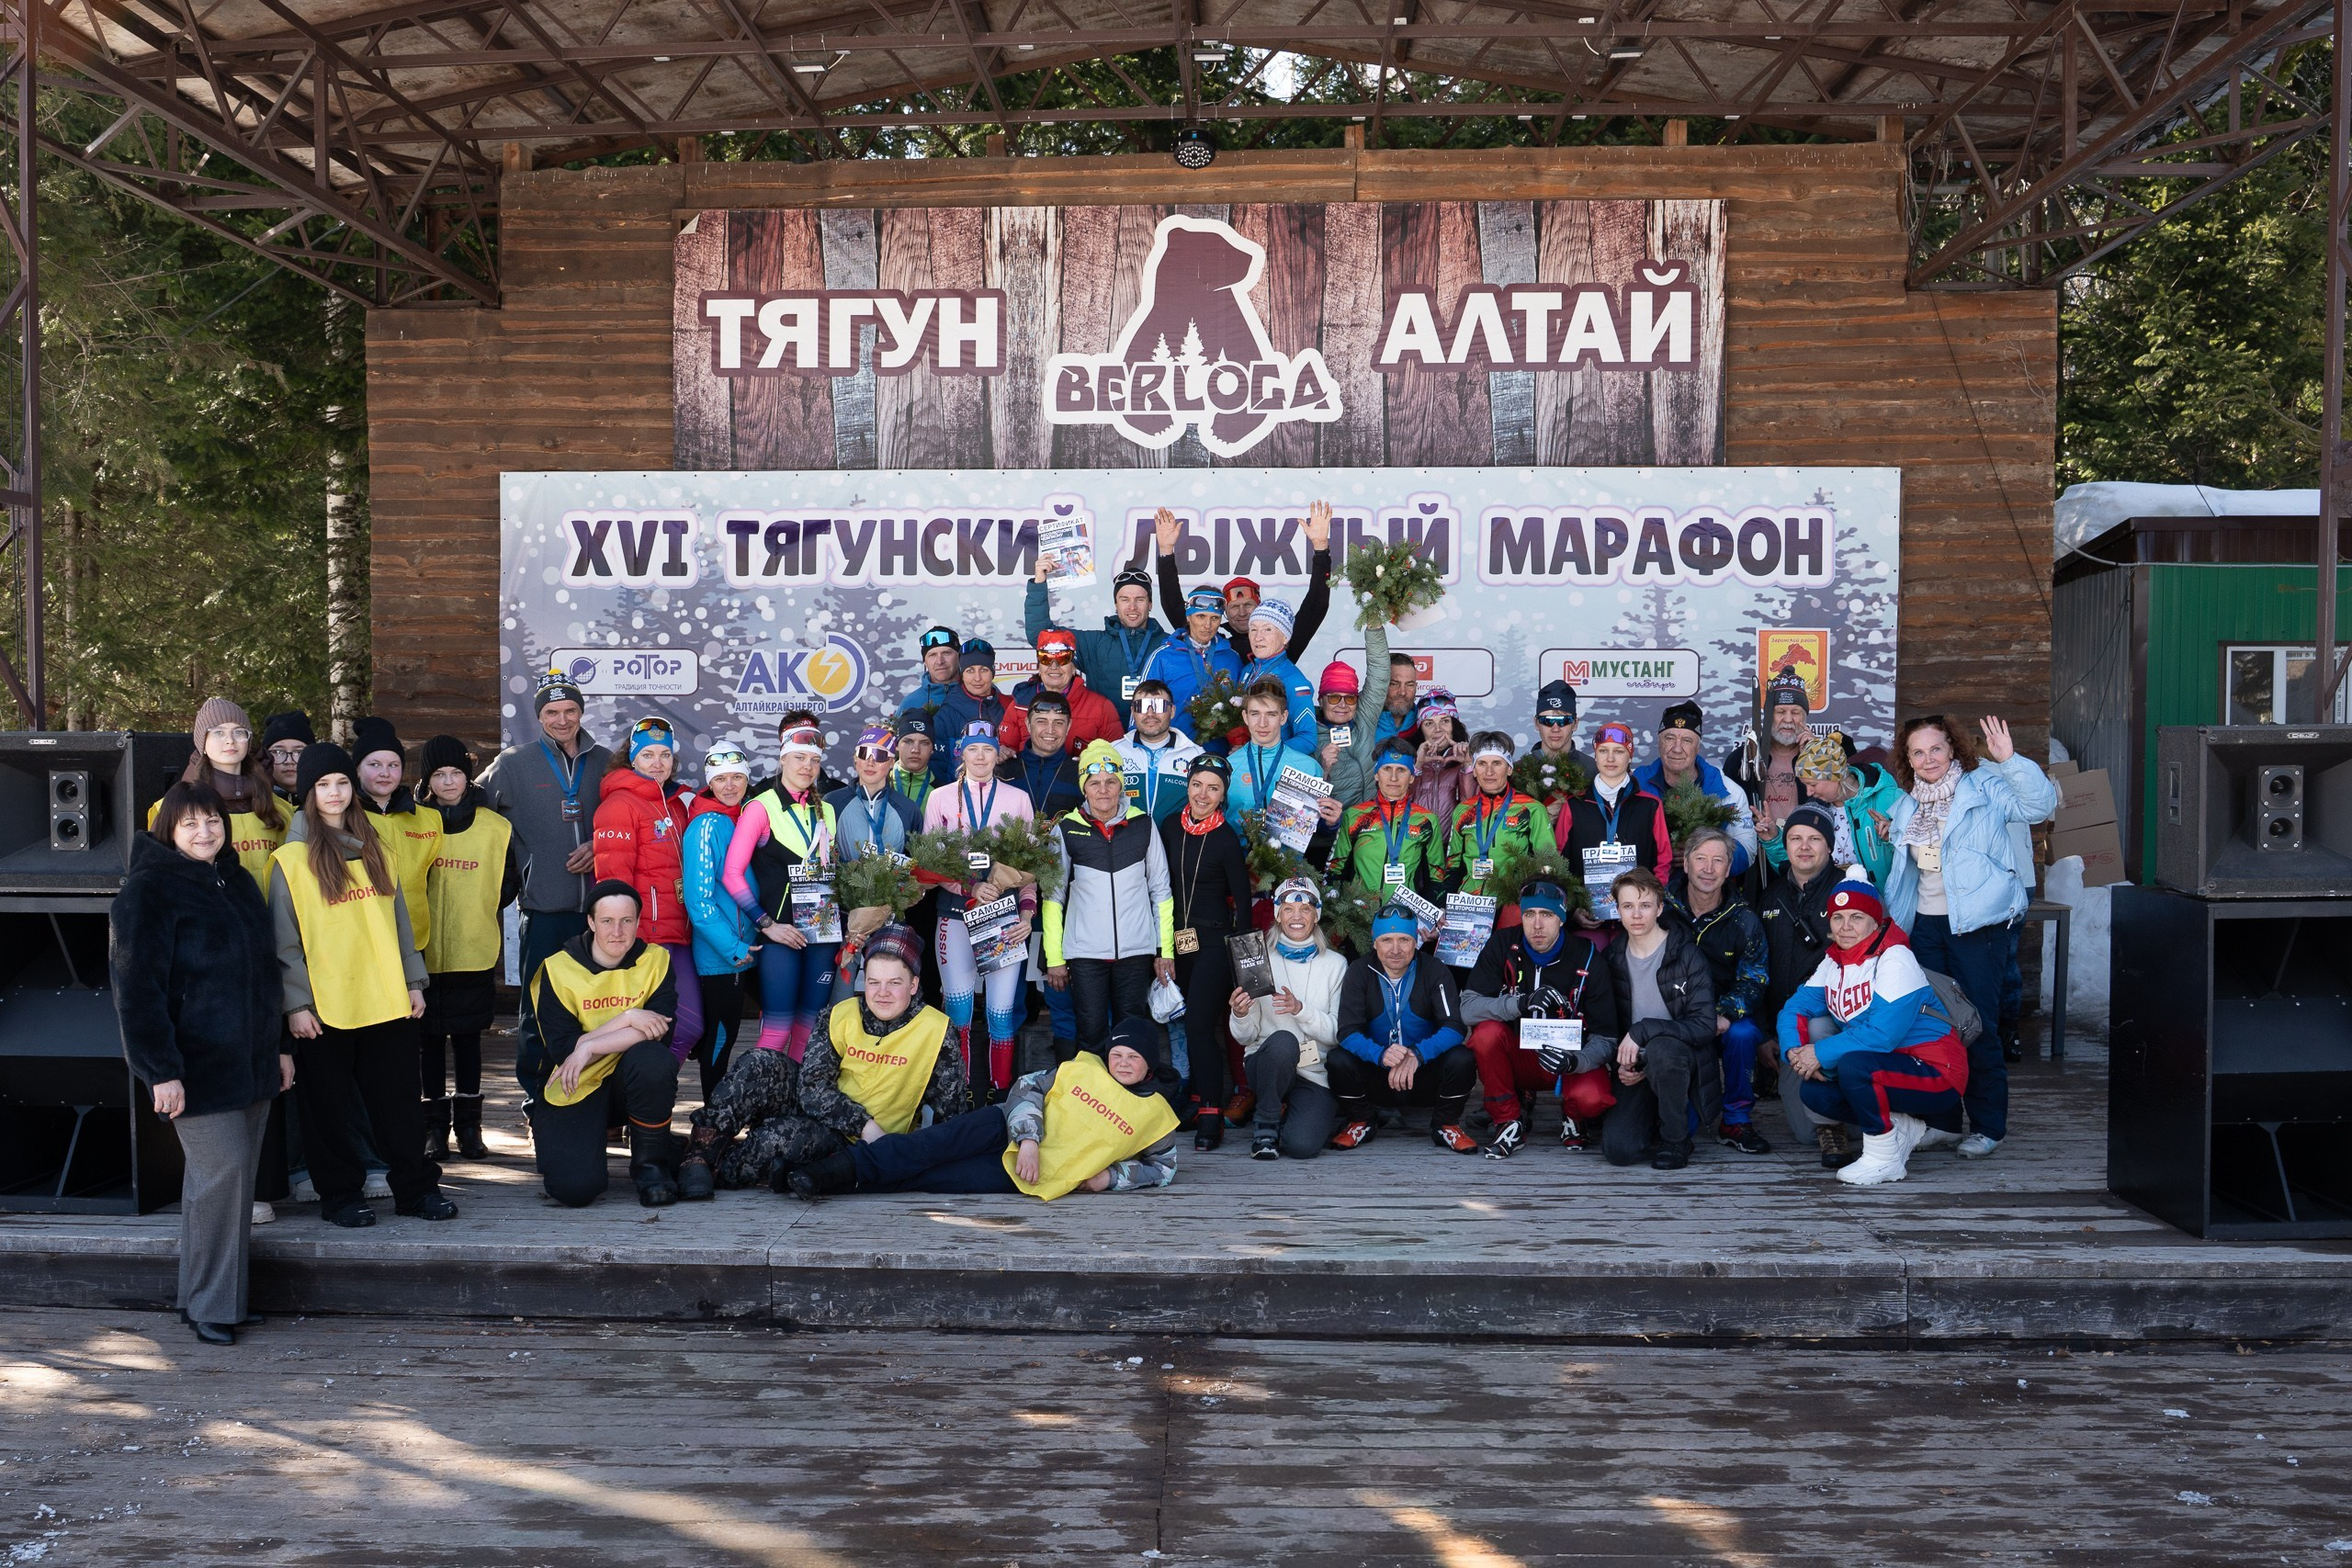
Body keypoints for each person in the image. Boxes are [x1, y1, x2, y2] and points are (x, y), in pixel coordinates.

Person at [113, 783, 290, 1345]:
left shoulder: (237, 880)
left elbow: (266, 974)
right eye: (189, 823)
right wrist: (159, 1070)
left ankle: (210, 1299)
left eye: (211, 821)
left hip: (253, 1061)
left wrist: (281, 1047)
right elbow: (136, 991)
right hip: (195, 1068)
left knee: (226, 1184)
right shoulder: (148, 892)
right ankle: (214, 1306)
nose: (204, 832)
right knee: (223, 1175)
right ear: (168, 829)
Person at [268, 743, 456, 1228]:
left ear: (353, 790)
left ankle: (416, 1189)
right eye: (323, 785)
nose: (334, 793)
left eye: (341, 783)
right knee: (327, 1111)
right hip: (325, 1006)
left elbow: (400, 926)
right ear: (308, 794)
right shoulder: (290, 861)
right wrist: (296, 1005)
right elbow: (284, 944)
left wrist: (415, 982)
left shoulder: (378, 849)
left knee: (399, 1108)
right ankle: (340, 1196)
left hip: (386, 998)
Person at [1883, 714, 2055, 1160]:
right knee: (1932, 1027)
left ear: (1953, 748)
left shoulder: (1985, 788)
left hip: (1977, 927)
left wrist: (2011, 760)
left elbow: (2039, 808)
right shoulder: (1907, 805)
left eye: (1935, 749)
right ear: (1908, 760)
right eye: (1917, 752)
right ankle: (1941, 1121)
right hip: (1926, 927)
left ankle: (1988, 1126)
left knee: (1977, 1025)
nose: (1928, 759)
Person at [681, 924, 964, 1194]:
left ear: (914, 984)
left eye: (894, 983)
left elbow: (949, 1114)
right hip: (837, 1115)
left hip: (858, 1144)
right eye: (874, 981)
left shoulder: (937, 1030)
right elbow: (812, 1087)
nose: (882, 993)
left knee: (774, 1139)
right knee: (757, 1063)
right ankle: (697, 1158)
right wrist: (863, 1122)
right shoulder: (840, 1014)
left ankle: (718, 1168)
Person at [784, 1018, 1180, 1199]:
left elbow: (1163, 1169)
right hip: (1002, 1127)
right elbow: (1027, 1086)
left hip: (1029, 1174)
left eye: (1133, 1057)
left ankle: (831, 1180)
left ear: (1148, 1064)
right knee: (924, 1148)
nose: (1123, 1062)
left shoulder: (1155, 1113)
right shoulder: (1083, 1068)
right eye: (1117, 1053)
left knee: (932, 1178)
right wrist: (1027, 1138)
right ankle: (819, 1172)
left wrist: (1110, 1178)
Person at [1777, 880, 1972, 1187]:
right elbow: (1794, 1009)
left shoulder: (1896, 958)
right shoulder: (1834, 961)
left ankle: (1884, 1159)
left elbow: (1883, 1035)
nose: (1845, 926)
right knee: (1815, 1093)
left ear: (1875, 921)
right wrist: (1793, 1050)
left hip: (1937, 1073)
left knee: (1855, 1065)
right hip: (1885, 1070)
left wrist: (1819, 1053)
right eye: (1838, 917)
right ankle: (1901, 1129)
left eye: (1856, 917)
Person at [476, 669, 610, 1080]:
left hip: (601, 914)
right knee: (538, 1010)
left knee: (600, 1013)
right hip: (544, 909)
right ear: (540, 716)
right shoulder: (514, 764)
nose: (563, 720)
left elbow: (636, 817)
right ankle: (537, 1103)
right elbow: (472, 806)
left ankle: (597, 1107)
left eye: (571, 709)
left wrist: (601, 844)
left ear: (582, 711)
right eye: (553, 712)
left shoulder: (606, 761)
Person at [523, 879, 684, 1206]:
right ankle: (671, 1147)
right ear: (591, 922)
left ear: (638, 922)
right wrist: (627, 1019)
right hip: (575, 1082)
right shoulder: (558, 969)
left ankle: (651, 1167)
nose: (617, 931)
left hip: (631, 1082)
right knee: (573, 1190)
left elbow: (659, 1030)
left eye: (627, 921)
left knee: (654, 1059)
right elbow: (565, 1051)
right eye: (607, 921)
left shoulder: (656, 960)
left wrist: (590, 1045)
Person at [916, 719, 1037, 1099]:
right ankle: (961, 1090)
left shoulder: (1017, 797)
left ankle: (1000, 1094)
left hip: (1003, 918)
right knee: (959, 1011)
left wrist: (1027, 914)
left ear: (997, 754)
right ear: (961, 753)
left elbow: (1033, 865)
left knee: (1001, 1014)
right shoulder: (940, 797)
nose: (981, 756)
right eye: (973, 749)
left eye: (988, 749)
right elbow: (925, 864)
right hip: (954, 913)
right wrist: (970, 885)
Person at [1460, 878, 1623, 1157]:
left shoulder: (1587, 957)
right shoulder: (1503, 943)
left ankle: (1574, 1117)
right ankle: (1508, 1121)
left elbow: (1606, 1038)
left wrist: (1576, 1062)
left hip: (1568, 1060)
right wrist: (1518, 1004)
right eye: (1529, 914)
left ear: (1561, 919)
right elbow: (1468, 1008)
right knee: (1486, 1033)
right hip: (1519, 1057)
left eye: (1547, 915)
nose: (1537, 925)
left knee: (1592, 1099)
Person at [416, 735, 517, 1162]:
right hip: (423, 952)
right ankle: (434, 1129)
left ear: (468, 774)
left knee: (468, 1039)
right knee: (429, 1043)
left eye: (456, 772)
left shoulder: (494, 826)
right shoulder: (414, 823)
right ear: (427, 780)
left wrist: (477, 909)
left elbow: (510, 879)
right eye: (438, 774)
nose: (448, 781)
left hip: (473, 950)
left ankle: (470, 1127)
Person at [1044, 739, 1176, 1055]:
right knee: (1090, 1034)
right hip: (1085, 954)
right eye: (1094, 783)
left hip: (1135, 951)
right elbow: (1052, 897)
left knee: (1130, 1033)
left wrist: (1165, 950)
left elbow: (1161, 891)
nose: (1103, 790)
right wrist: (1054, 958)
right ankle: (1092, 1101)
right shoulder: (1065, 829)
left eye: (1111, 782)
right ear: (1084, 788)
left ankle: (1128, 1101)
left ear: (1121, 785)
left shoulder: (1144, 824)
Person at [723, 719, 845, 1061]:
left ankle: (794, 1110)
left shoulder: (828, 810)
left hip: (821, 932)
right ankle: (763, 1106)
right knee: (776, 1031)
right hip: (779, 935)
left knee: (809, 1029)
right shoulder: (760, 807)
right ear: (783, 759)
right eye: (799, 758)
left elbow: (828, 875)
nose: (807, 767)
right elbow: (732, 874)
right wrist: (766, 925)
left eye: (814, 760)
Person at [593, 716, 703, 1065]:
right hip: (643, 940)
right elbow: (613, 884)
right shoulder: (620, 805)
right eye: (648, 755)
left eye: (665, 755)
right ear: (632, 759)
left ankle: (649, 1104)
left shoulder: (676, 802)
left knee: (686, 1028)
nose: (658, 764)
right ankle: (637, 1108)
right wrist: (623, 940)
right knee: (650, 1030)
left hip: (680, 934)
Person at [1159, 753, 1254, 1149]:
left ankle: (1212, 1111)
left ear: (1222, 795)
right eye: (1198, 784)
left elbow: (1245, 905)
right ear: (1188, 785)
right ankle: (1197, 1097)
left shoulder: (1227, 838)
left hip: (1214, 942)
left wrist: (1244, 965)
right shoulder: (1168, 827)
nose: (1203, 794)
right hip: (1176, 941)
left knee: (1200, 1024)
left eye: (1213, 788)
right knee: (1185, 1024)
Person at [1329, 905, 1478, 1150]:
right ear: (1375, 943)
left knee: (1462, 1059)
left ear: (1416, 941)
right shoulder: (1359, 971)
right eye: (1387, 940)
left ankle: (1446, 1124)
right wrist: (1380, 1055)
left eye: (1404, 940)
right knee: (1338, 1060)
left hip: (1423, 1073)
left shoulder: (1434, 970)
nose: (1396, 949)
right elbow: (1347, 1031)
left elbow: (1454, 1027)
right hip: (1377, 1073)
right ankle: (1361, 1120)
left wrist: (1418, 1055)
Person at [1596, 866, 1717, 1169]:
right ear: (1618, 910)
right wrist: (1620, 1064)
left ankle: (1676, 1141)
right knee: (1619, 1151)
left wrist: (1644, 1030)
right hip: (1635, 1065)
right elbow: (1605, 1025)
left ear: (1660, 908)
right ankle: (1651, 1120)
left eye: (1645, 905)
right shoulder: (1611, 958)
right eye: (1628, 906)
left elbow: (1705, 1026)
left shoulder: (1685, 954)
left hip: (1678, 1060)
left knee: (1662, 1050)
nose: (1637, 915)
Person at [1665, 828, 1772, 1155]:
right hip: (1673, 1012)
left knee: (1742, 1034)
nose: (1708, 869)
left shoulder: (1744, 920)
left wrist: (1724, 1014)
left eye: (1718, 861)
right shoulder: (1662, 909)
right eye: (1700, 859)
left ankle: (1735, 1119)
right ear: (1686, 864)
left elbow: (1754, 979)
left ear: (1729, 870)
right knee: (1685, 1126)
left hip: (1723, 1014)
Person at [1227, 878, 1348, 1159]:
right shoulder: (1259, 959)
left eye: (1305, 909)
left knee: (1301, 1147)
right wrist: (1240, 1013)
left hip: (1313, 1071)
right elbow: (1245, 1037)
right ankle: (1266, 1125)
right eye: (1289, 908)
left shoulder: (1335, 964)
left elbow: (1336, 1033)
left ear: (1316, 915)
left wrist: (1300, 1009)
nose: (1297, 916)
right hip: (1267, 1062)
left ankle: (1290, 1112)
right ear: (1277, 914)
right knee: (1283, 1041)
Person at [1151, 502, 1334, 664]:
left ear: (1259, 606)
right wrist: (1166, 551)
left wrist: (1320, 549)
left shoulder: (1281, 638)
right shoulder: (1212, 636)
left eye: (1248, 605)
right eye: (1234, 606)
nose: (1241, 612)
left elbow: (1316, 605)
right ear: (1224, 612)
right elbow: (1172, 605)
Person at [681, 740, 760, 1101]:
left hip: (751, 947)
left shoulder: (745, 817)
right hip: (723, 955)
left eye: (737, 778)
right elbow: (699, 902)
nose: (730, 786)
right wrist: (733, 948)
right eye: (722, 779)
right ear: (709, 783)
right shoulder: (707, 825)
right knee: (721, 1036)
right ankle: (712, 1120)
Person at [153, 699, 288, 886]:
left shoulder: (279, 807)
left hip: (269, 913)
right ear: (203, 742)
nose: (230, 740)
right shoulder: (171, 808)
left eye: (239, 732)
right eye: (218, 732)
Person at [1556, 721, 1674, 924]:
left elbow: (1663, 861)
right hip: (1588, 919)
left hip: (1637, 921)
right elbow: (1559, 863)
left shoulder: (1650, 806)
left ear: (1630, 756)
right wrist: (1572, 910)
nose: (1610, 758)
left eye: (1619, 751)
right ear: (1595, 755)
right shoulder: (1574, 805)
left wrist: (1648, 906)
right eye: (1603, 751)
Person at [1026, 558, 1166, 726]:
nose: (1132, 607)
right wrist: (1039, 584)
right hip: (1105, 739)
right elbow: (1040, 636)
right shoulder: (1093, 643)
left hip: (1154, 737)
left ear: (1150, 604)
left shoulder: (1167, 644)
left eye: (1140, 599)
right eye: (1124, 599)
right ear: (1116, 604)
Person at [350, 716, 443, 954]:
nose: (385, 773)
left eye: (393, 765)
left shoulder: (428, 819)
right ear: (358, 769)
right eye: (374, 765)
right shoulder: (343, 817)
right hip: (362, 941)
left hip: (413, 941)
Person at [1636, 701, 1759, 875]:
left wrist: (1701, 851)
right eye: (1669, 738)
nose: (1677, 748)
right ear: (1659, 742)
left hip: (1706, 895)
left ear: (1698, 747)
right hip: (1647, 892)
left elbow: (1747, 853)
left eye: (1687, 740)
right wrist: (1662, 852)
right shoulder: (1634, 785)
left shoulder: (1728, 792)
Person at [1766, 729, 1902, 885]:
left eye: (1812, 784)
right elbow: (1798, 865)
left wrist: (1894, 836)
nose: (1809, 792)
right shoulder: (1815, 810)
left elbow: (1913, 855)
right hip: (1830, 903)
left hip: (1881, 903)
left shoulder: (1890, 799)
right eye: (1806, 785)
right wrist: (1773, 840)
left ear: (1834, 776)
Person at [1327, 743, 1443, 913]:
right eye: (1387, 769)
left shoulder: (1426, 820)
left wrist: (1426, 919)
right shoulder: (1355, 815)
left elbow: (1436, 877)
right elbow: (1336, 868)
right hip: (1358, 914)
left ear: (1412, 777)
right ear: (1376, 774)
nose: (1393, 778)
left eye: (1401, 770)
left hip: (1403, 917)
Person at [1442, 732, 1550, 907]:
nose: (1489, 772)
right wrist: (1443, 905)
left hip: (1511, 905)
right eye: (1482, 764)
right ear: (1474, 771)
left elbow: (1547, 864)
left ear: (1509, 769)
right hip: (1468, 904)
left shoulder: (1531, 809)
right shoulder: (1463, 810)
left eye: (1497, 763)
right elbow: (1454, 867)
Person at [1141, 584, 1244, 742]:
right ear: (1188, 617)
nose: (1207, 625)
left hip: (1218, 754)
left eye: (1214, 618)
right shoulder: (1162, 657)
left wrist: (1240, 743)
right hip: (1173, 752)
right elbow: (1141, 707)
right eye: (1201, 616)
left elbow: (1242, 710)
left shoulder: (1232, 658)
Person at [998, 627, 1123, 754]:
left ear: (1074, 667)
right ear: (1039, 667)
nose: (1054, 667)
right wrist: (1002, 752)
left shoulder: (1101, 707)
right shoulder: (1020, 703)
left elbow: (1117, 757)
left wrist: (1090, 764)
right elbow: (1005, 749)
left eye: (1062, 659)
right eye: (1046, 658)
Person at [1226, 678, 1323, 817]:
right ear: (1245, 717)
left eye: (1271, 714)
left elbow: (1317, 827)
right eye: (1255, 714)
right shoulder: (1228, 767)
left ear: (1283, 717)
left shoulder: (1309, 768)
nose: (1262, 723)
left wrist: (1331, 823)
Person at [921, 641, 1015, 782]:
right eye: (970, 670)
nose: (977, 678)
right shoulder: (946, 714)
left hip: (1003, 795)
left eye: (984, 670)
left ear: (993, 672)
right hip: (959, 797)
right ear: (962, 675)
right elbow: (937, 768)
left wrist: (1008, 751)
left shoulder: (1009, 707)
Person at [1235, 597, 1319, 753]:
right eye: (1253, 629)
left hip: (1275, 771)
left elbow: (1308, 739)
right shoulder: (1247, 670)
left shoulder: (1294, 681)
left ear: (1285, 637)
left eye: (1267, 629)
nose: (1258, 637)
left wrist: (1264, 755)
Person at [1115, 680, 1204, 821]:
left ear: (1172, 711)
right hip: (1128, 841)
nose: (1150, 714)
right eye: (1142, 706)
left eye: (1159, 706)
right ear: (1133, 711)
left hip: (1176, 841)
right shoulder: (1114, 752)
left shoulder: (1195, 754)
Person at [1727, 667, 1816, 810]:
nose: (1788, 719)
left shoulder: (1820, 757)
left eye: (1796, 712)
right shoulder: (1739, 760)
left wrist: (1815, 756)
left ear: (1805, 717)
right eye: (1780, 712)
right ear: (1768, 716)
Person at [1000, 692, 1084, 818]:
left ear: (1068, 726)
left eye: (1059, 723)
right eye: (1041, 721)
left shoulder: (1081, 773)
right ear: (1028, 724)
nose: (1050, 730)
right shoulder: (1004, 770)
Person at [1408, 689, 1474, 823]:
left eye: (1444, 721)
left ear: (1454, 725)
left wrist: (1467, 766)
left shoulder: (1471, 759)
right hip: (1415, 841)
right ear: (1421, 730)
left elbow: (1472, 808)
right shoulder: (1408, 760)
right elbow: (1399, 803)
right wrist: (1417, 766)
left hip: (1453, 843)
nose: (1438, 729)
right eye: (1429, 723)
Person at [892, 625, 965, 728]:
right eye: (932, 655)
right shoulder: (910, 703)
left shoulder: (982, 695)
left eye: (947, 653)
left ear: (959, 656)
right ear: (925, 662)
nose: (940, 661)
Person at [260, 711, 313, 801]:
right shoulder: (253, 803)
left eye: (298, 752)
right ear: (266, 757)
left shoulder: (331, 800)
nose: (289, 761)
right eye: (279, 752)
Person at [890, 715, 939, 812]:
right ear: (897, 746)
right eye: (908, 742)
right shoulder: (881, 783)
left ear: (932, 749)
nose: (915, 750)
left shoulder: (941, 792)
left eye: (924, 743)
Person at [1373, 651, 1421, 746]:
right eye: (1394, 684)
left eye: (1409, 685)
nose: (1402, 692)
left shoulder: (1425, 722)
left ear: (1416, 687)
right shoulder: (1361, 721)